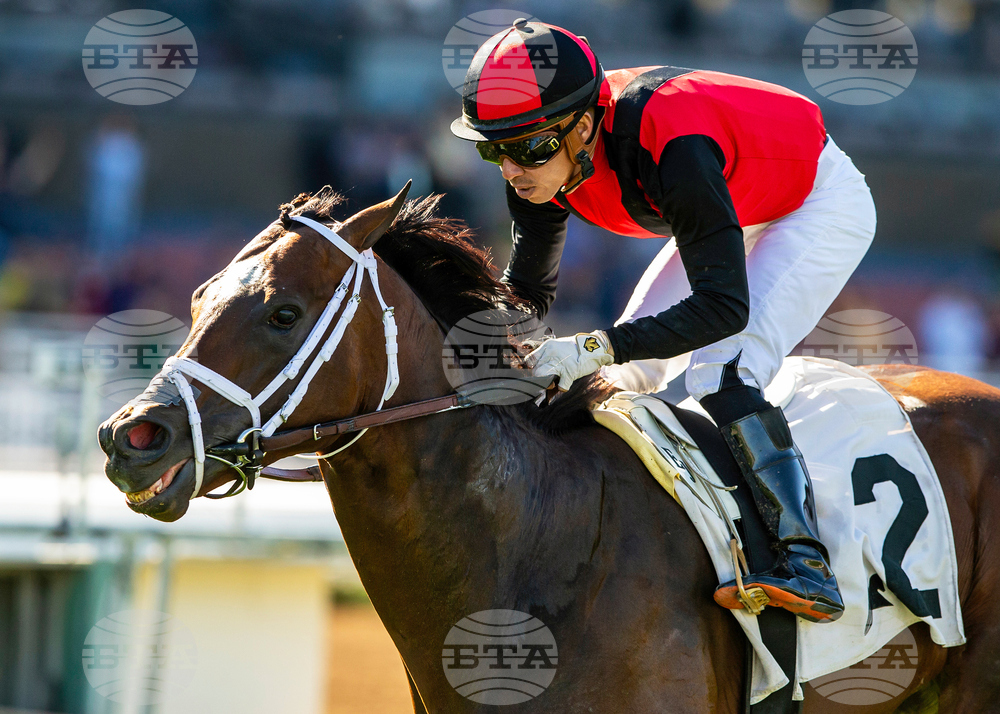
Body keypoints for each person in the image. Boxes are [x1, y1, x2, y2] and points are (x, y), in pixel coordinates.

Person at [451, 19, 878, 623]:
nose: (513, 169)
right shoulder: (538, 156)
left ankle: (805, 563)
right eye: (491, 148)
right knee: (629, 373)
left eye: (529, 148)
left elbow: (722, 307)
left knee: (722, 371)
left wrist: (593, 346)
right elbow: (526, 295)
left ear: (583, 124)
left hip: (813, 201)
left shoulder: (671, 141)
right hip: (735, 198)